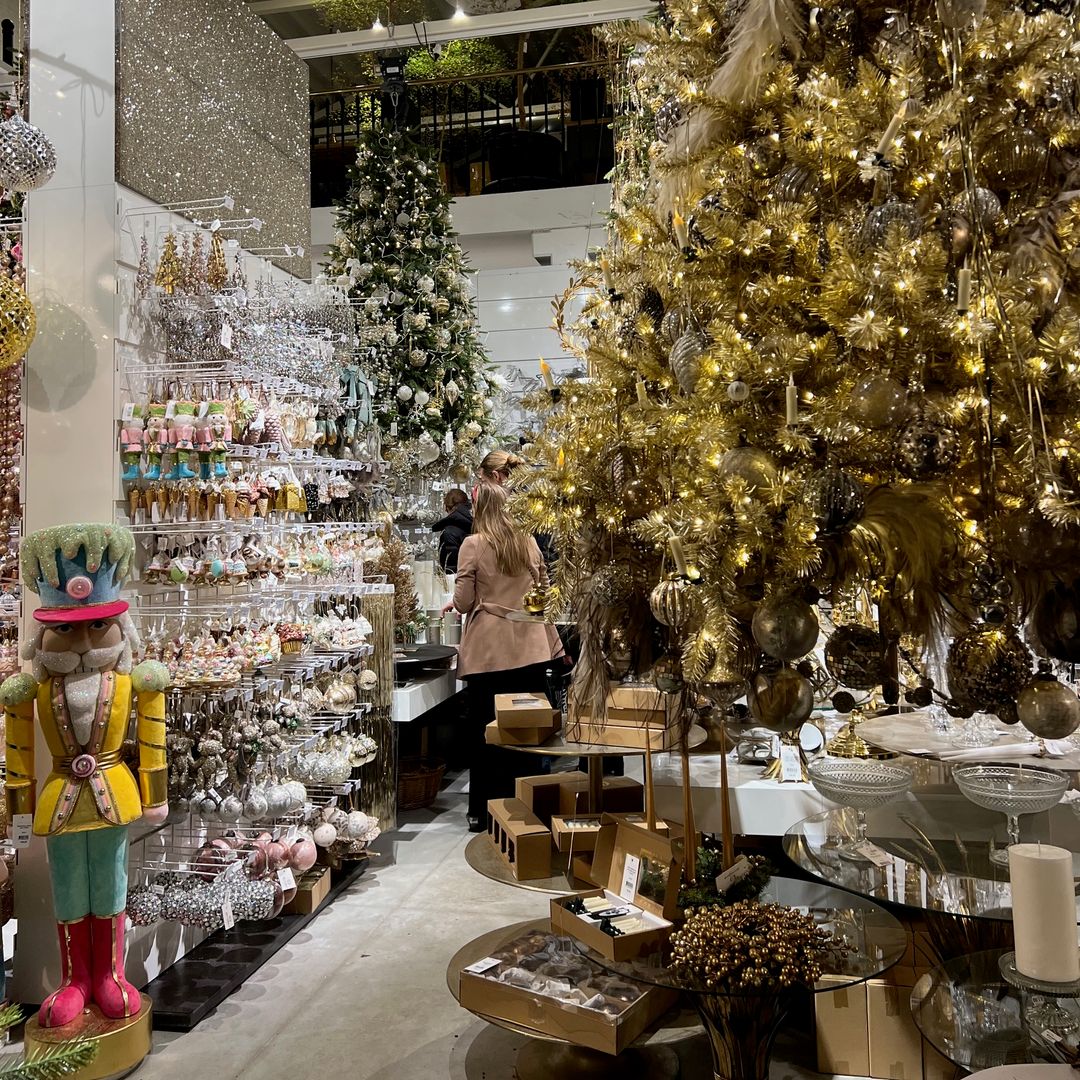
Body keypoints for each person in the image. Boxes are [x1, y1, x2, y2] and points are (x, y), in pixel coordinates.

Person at [450, 484, 565, 831]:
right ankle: (530, 804)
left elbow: (463, 602)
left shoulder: (474, 544)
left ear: (480, 508)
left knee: (489, 732)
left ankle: (485, 812)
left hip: (490, 653)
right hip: (531, 646)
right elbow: (545, 590)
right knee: (528, 731)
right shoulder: (527, 541)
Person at [432, 488, 472, 573]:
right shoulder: (478, 524)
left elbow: (449, 566)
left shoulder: (449, 532)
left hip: (458, 580)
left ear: (447, 508)